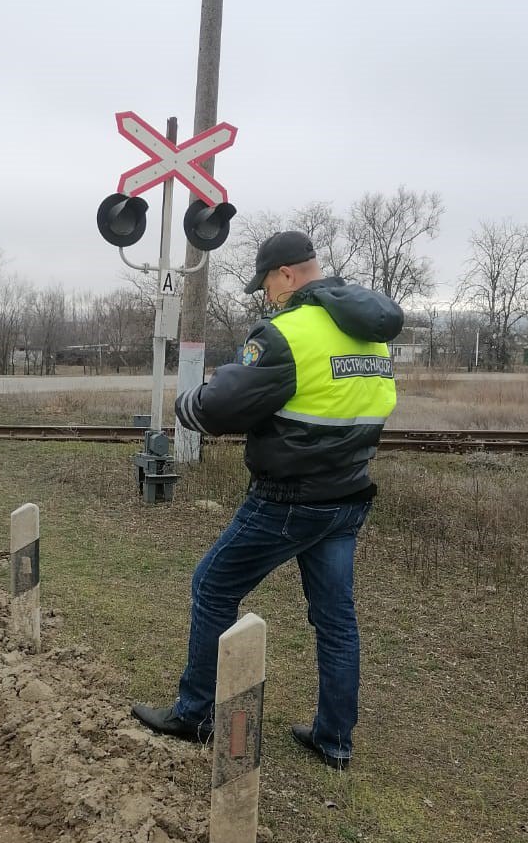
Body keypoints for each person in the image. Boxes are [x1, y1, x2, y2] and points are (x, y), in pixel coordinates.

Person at [131, 230, 404, 769]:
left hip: (289, 498)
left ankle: (196, 713)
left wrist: (189, 403)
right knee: (335, 619)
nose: (267, 297)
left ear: (287, 274)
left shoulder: (286, 334)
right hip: (349, 493)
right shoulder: (367, 333)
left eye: (268, 285)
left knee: (212, 585)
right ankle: (334, 740)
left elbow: (225, 405)